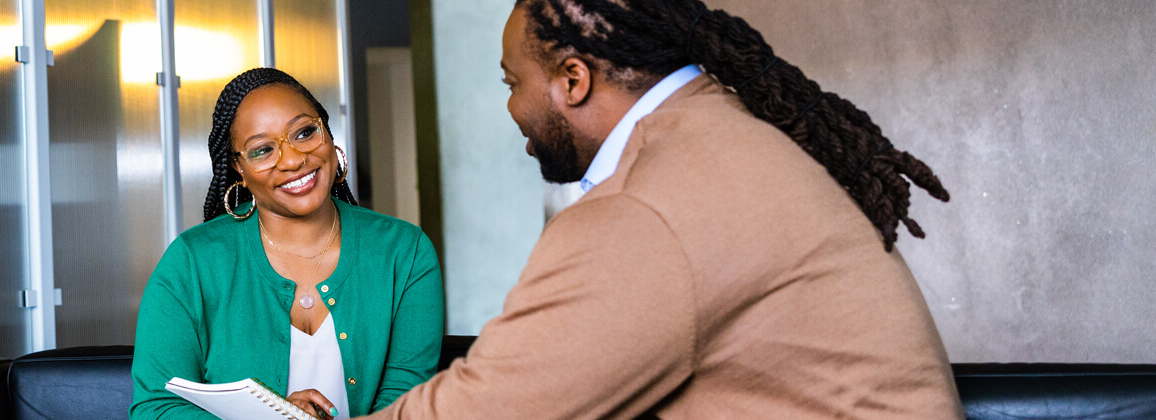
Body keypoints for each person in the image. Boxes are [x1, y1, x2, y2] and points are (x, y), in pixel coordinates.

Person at [363, 0, 960, 418]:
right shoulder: (719, 136)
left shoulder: (645, 205)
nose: (512, 106)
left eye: (510, 83)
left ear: (573, 79)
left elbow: (491, 410)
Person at [131, 68, 444, 420]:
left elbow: (406, 399)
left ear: (327, 132)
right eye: (262, 150)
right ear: (239, 170)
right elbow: (155, 409)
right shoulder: (191, 262)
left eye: (305, 132)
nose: (293, 160)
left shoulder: (404, 252)